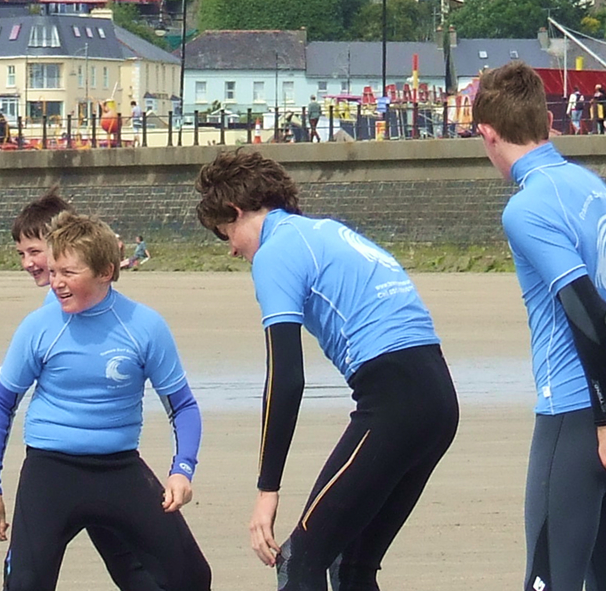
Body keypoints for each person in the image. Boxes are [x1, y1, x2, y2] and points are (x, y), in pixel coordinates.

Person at [195, 150, 459, 591]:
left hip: (395, 401)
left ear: (236, 212)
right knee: (351, 568)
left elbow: (286, 378)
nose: (233, 249)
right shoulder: (327, 231)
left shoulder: (275, 252)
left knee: (299, 561)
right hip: (437, 398)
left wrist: (267, 491)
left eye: (226, 235)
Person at [472, 61, 606, 591]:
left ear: (488, 135)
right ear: (546, 124)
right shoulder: (597, 189)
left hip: (578, 415)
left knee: (550, 578)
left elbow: (586, 308)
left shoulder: (527, 206)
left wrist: (605, 421)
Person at [0, 212, 212, 591]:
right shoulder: (40, 327)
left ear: (105, 271)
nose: (56, 283)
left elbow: (182, 406)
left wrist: (182, 470)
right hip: (50, 471)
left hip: (119, 469)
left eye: (68, 273)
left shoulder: (143, 326)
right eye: (53, 271)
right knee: (25, 584)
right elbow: (1, 405)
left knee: (191, 576)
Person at [4, 187, 162, 591]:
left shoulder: (68, 308)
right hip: (61, 464)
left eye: (35, 251)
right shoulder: (49, 315)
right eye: (22, 254)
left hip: (102, 462)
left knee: (131, 566)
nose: (30, 263)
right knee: (127, 565)